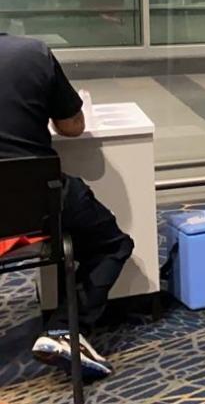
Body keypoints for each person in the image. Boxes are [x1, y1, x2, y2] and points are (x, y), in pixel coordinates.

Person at [0, 32, 133, 380]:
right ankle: (64, 331)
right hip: (35, 201)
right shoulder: (31, 53)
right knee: (113, 244)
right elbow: (73, 126)